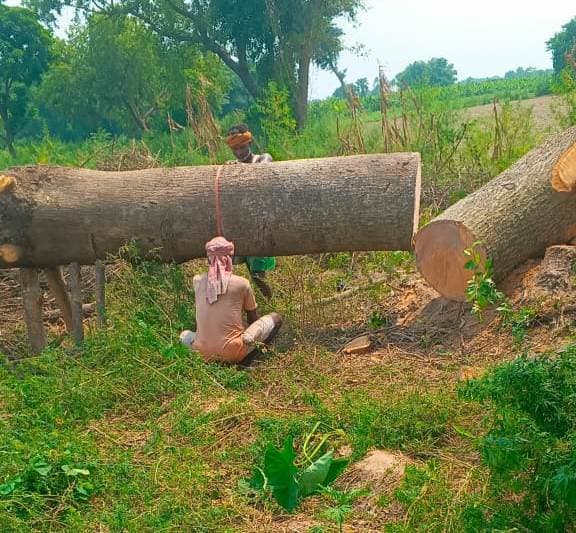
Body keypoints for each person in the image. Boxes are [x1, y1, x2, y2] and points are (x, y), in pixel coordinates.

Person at [180, 237, 282, 366]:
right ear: (230, 258)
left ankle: (208, 352)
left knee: (184, 335)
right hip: (233, 352)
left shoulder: (197, 280)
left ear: (209, 258)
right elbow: (252, 318)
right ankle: (248, 359)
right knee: (276, 318)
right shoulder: (242, 283)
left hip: (201, 352)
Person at [225, 124, 276, 298]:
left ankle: (270, 303)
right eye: (235, 149)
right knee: (244, 273)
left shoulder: (263, 158)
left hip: (259, 228)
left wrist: (238, 169)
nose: (239, 152)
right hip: (241, 228)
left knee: (258, 276)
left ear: (249, 143)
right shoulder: (231, 166)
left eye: (242, 147)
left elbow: (260, 174)